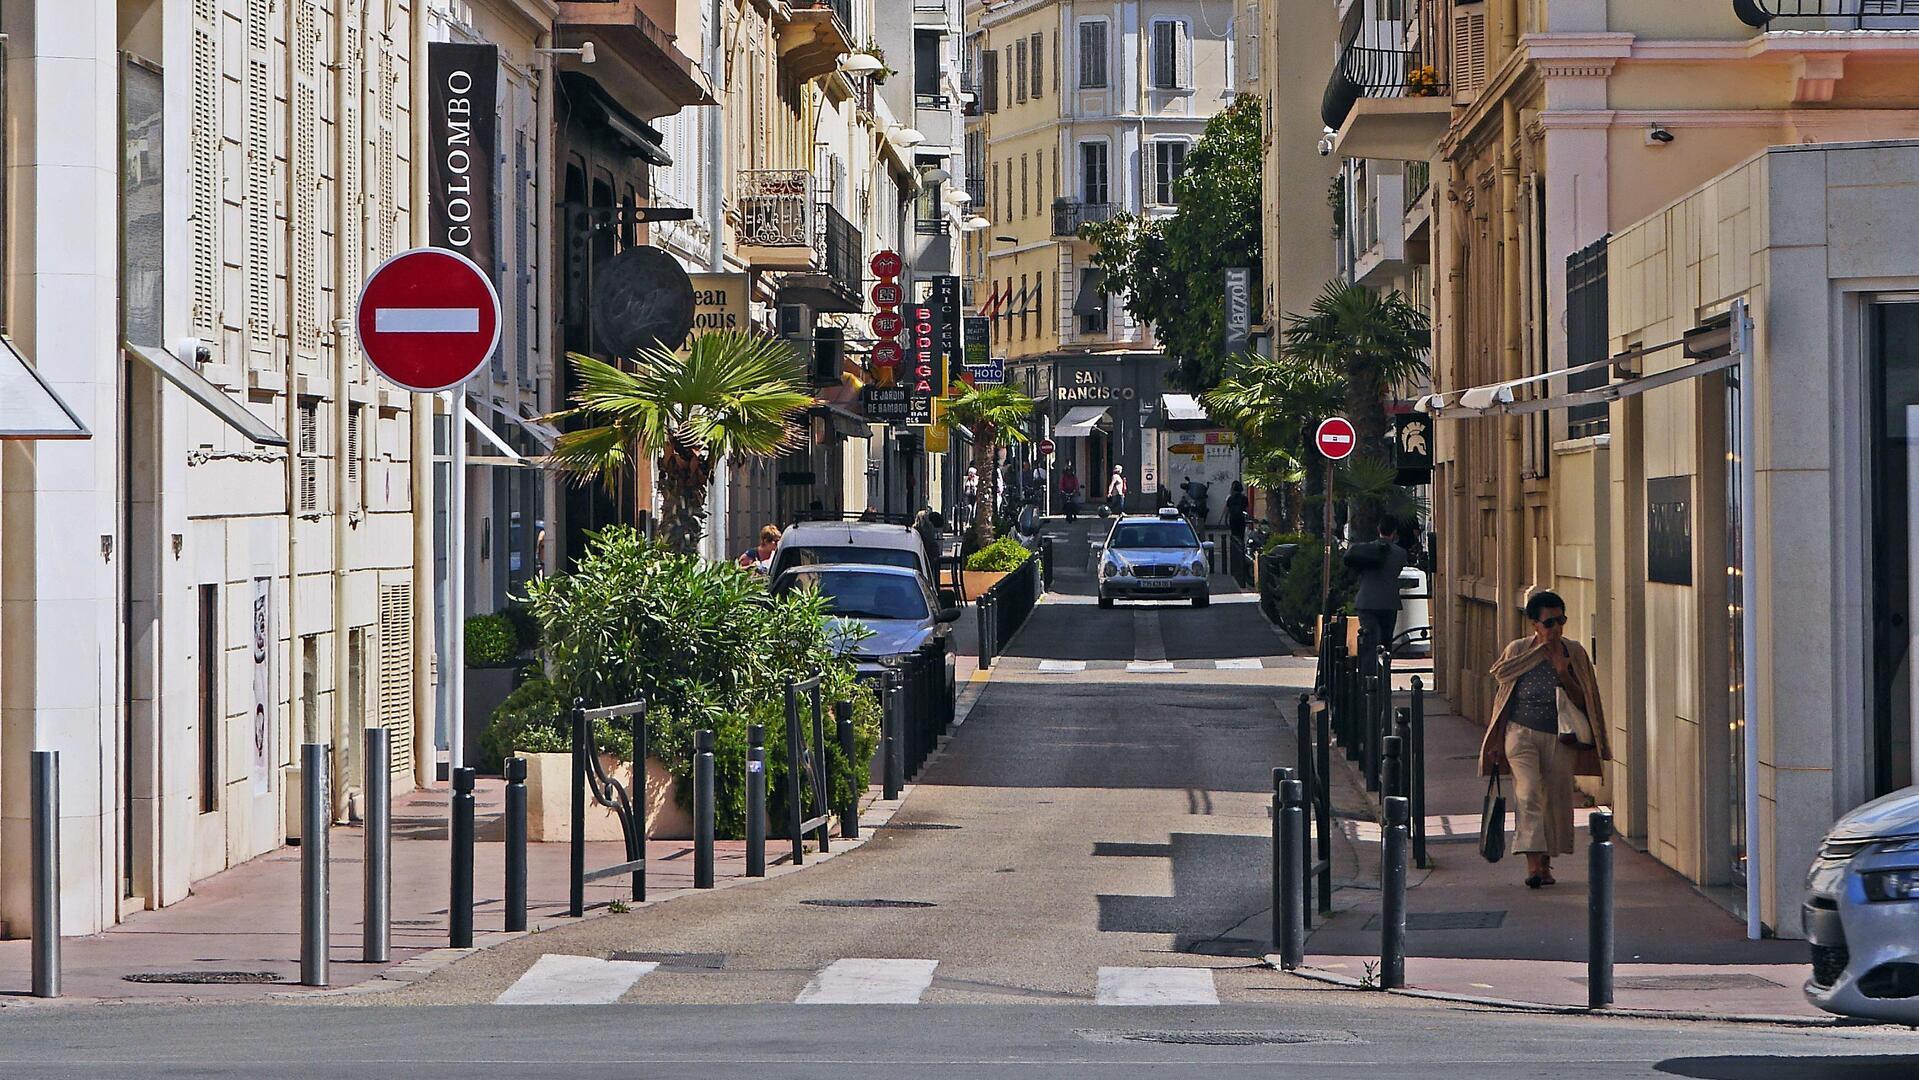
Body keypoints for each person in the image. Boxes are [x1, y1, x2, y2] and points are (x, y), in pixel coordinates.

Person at [1481, 591, 1612, 889]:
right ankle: (1533, 866)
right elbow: (1505, 698)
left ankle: (1546, 862)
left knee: (1555, 798)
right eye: (1549, 622)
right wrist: (1497, 742)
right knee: (1528, 794)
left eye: (1561, 621)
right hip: (1520, 733)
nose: (1556, 628)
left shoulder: (1573, 652)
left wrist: (1563, 671)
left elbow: (1585, 699)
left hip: (1561, 736)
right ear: (1534, 625)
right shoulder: (1518, 651)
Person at [1343, 514, 1407, 656]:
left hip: (1366, 602)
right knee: (1386, 643)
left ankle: (1369, 669)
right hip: (1389, 602)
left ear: (1378, 529)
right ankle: (1385, 668)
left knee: (1368, 642)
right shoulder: (1400, 553)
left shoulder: (1365, 550)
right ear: (1394, 532)